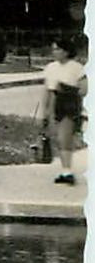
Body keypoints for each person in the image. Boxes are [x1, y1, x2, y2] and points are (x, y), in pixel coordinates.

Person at [38, 35, 87, 185]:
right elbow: (47, 90)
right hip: (54, 102)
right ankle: (65, 169)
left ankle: (67, 171)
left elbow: (83, 89)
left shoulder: (76, 68)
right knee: (58, 138)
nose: (55, 52)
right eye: (53, 49)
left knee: (64, 137)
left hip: (69, 103)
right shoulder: (50, 68)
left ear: (66, 51)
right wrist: (44, 110)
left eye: (58, 49)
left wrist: (66, 89)